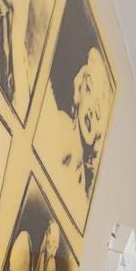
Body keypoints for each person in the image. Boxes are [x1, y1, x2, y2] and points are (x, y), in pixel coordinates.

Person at [41, 46, 113, 211]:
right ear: (79, 87)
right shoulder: (55, 121)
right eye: (89, 88)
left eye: (99, 110)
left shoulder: (84, 199)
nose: (91, 113)